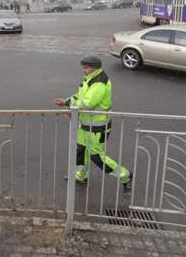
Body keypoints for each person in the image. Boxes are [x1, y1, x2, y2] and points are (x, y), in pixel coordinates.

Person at [53, 55, 132, 189]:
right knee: (81, 151)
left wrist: (69, 104)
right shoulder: (91, 78)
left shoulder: (99, 82)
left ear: (95, 68)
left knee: (97, 157)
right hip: (85, 124)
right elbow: (81, 95)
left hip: (97, 126)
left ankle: (125, 175)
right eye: (83, 68)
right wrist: (67, 101)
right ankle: (80, 175)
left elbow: (87, 103)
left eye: (86, 68)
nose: (84, 70)